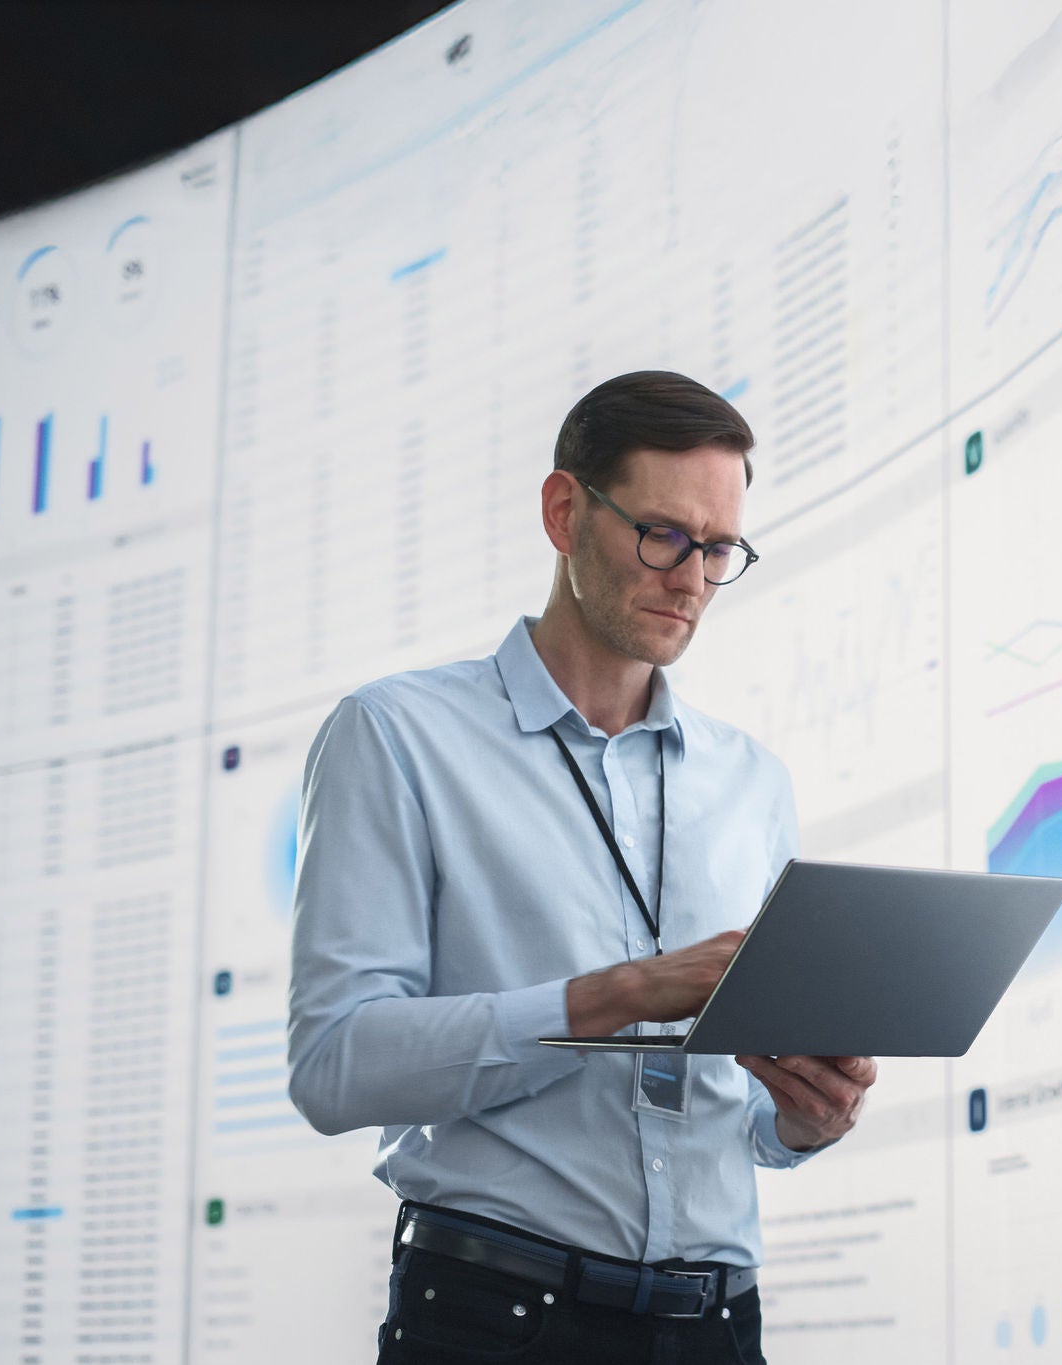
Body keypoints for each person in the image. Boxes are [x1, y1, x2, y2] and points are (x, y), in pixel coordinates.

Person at [287, 371, 877, 1364]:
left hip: (716, 1327)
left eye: (719, 547)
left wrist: (804, 1116)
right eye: (661, 534)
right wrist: (623, 993)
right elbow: (331, 1068)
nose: (690, 576)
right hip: (494, 1319)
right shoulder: (396, 736)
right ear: (565, 512)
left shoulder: (752, 782)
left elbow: (747, 1134)